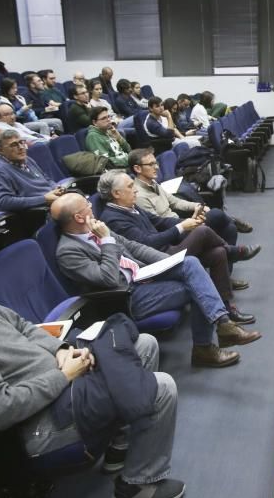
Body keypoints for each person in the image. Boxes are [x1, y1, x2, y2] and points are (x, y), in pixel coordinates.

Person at [0, 251, 187, 498]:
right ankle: (137, 485)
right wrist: (64, 375)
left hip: (59, 383)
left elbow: (23, 327)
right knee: (160, 388)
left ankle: (121, 444)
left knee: (144, 344)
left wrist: (62, 350)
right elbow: (0, 410)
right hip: (39, 425)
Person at [51, 193, 260, 368]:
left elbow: (134, 247)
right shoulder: (68, 251)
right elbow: (107, 277)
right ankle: (208, 343)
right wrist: (106, 241)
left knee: (190, 264)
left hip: (144, 276)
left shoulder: (96, 228)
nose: (91, 205)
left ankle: (221, 327)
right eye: (87, 205)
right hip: (129, 296)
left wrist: (171, 262)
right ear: (79, 218)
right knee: (198, 284)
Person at [96, 171, 258, 322]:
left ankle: (227, 310)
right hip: (155, 261)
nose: (135, 190)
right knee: (202, 231)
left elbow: (160, 221)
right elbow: (146, 243)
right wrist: (182, 227)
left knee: (218, 253)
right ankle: (235, 252)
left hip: (167, 248)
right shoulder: (113, 218)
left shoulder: (130, 206)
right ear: (116, 194)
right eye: (130, 187)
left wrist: (187, 223)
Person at [128, 148, 254, 237]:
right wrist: (186, 222)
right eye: (151, 164)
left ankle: (225, 273)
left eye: (156, 163)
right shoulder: (138, 195)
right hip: (174, 231)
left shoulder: (153, 183)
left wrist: (197, 206)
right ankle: (231, 221)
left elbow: (175, 202)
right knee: (216, 214)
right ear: (137, 168)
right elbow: (158, 224)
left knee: (229, 230)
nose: (157, 167)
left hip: (180, 222)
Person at [0, 129, 64, 211]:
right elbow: (1, 202)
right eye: (14, 145)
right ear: (0, 150)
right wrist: (43, 199)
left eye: (21, 142)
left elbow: (46, 179)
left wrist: (56, 187)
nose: (21, 147)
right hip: (40, 211)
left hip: (54, 201)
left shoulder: (28, 159)